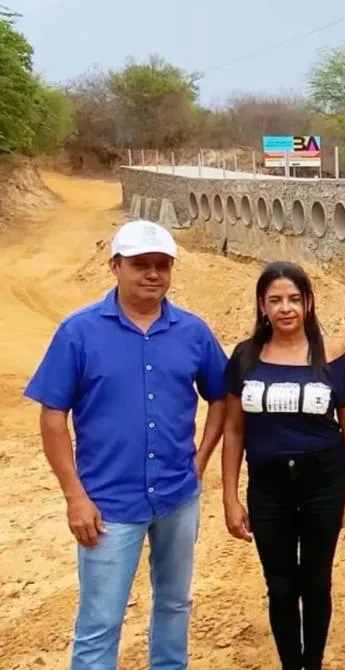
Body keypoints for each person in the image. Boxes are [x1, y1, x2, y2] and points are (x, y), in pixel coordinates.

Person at [22, 219, 229, 670]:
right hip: (106, 505)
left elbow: (222, 396)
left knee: (175, 604)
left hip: (177, 497)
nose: (152, 274)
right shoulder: (78, 332)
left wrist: (200, 460)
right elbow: (53, 417)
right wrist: (75, 497)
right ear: (115, 266)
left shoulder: (193, 332)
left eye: (162, 265)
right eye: (140, 264)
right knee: (100, 621)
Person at [220, 260, 345, 670]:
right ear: (262, 306)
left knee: (316, 583)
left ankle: (312, 664)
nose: (285, 308)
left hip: (323, 484)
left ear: (308, 303)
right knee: (280, 586)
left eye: (294, 299)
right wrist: (230, 497)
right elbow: (234, 429)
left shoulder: (332, 353)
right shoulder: (245, 356)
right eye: (275, 300)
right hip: (268, 489)